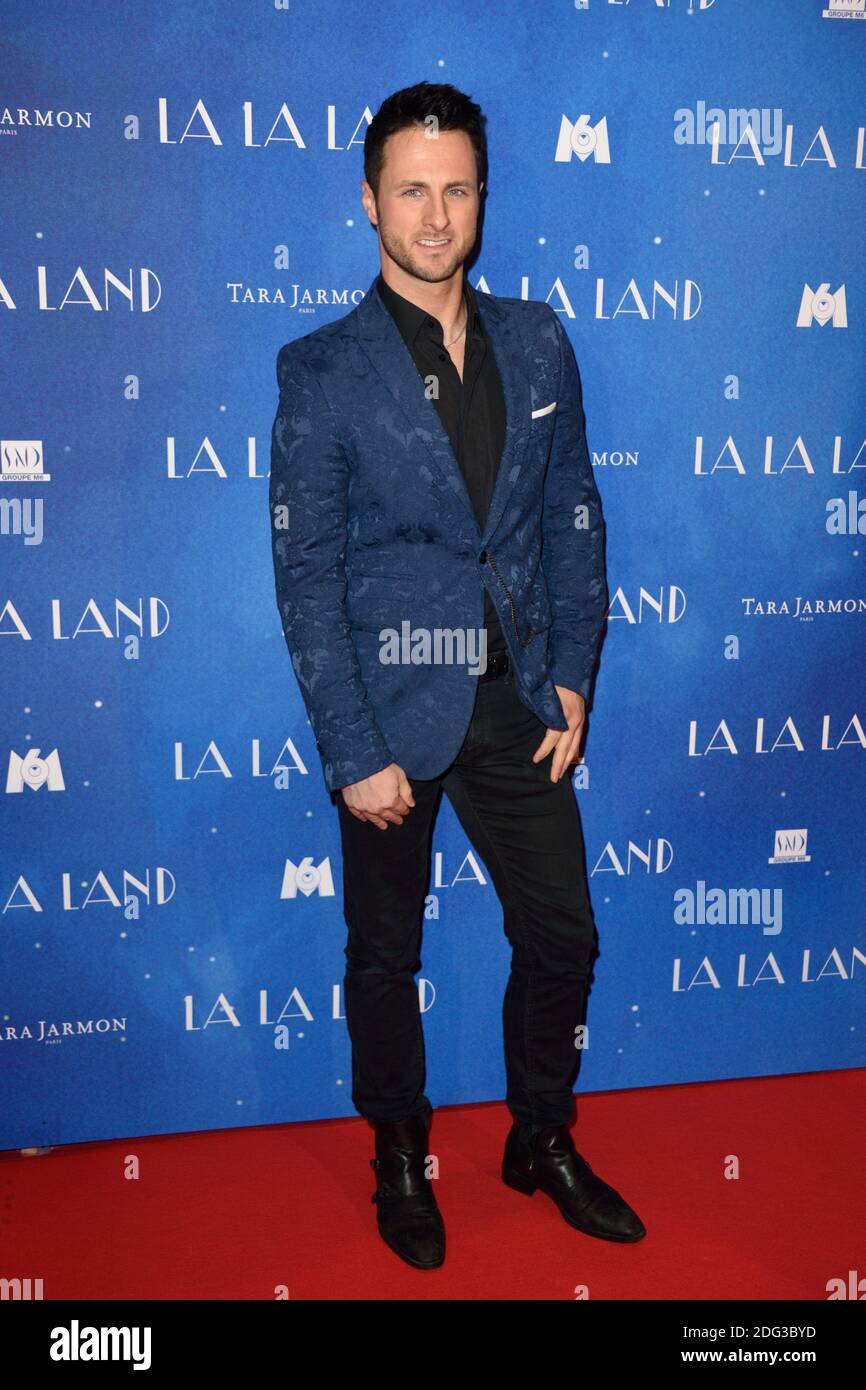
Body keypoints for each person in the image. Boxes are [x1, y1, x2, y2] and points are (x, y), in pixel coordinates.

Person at [269, 81, 645, 1270]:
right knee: (383, 956)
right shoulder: (320, 369)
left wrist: (573, 670)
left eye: (458, 188)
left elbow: (571, 514)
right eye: (411, 190)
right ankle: (397, 1153)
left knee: (565, 936)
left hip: (515, 703)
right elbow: (307, 572)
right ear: (369, 202)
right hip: (388, 711)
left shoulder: (536, 336)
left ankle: (538, 1135)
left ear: (482, 196)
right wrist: (350, 748)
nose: (436, 216)